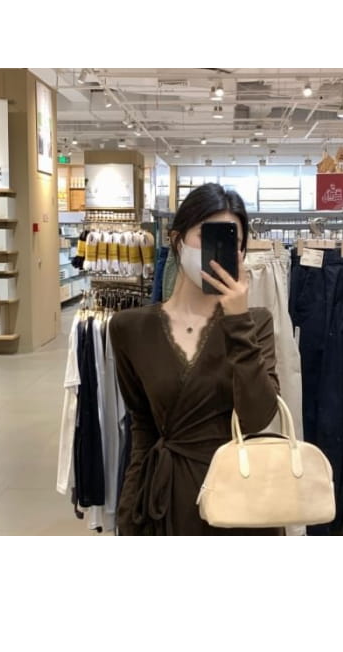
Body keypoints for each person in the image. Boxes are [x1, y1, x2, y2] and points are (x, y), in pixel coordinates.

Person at [109, 183, 282, 535]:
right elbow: (142, 430)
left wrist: (238, 321)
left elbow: (257, 418)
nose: (219, 250)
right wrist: (128, 514)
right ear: (177, 240)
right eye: (206, 236)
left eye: (232, 241)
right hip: (164, 501)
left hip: (237, 502)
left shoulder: (256, 323)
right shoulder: (130, 328)